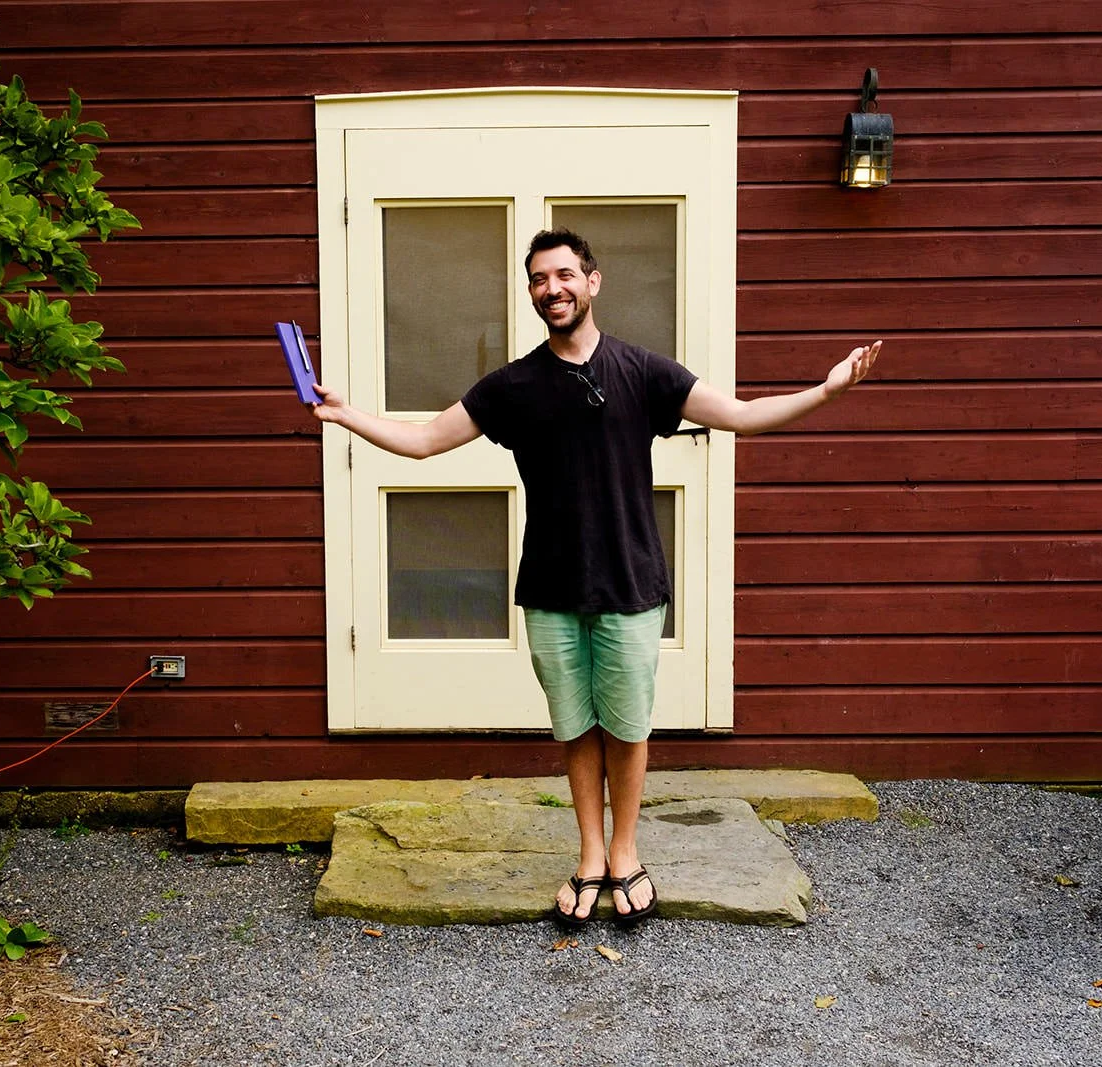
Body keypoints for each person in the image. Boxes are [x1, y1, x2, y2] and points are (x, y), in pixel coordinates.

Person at [310, 228, 880, 927]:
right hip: (550, 588)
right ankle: (588, 855)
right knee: (577, 728)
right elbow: (425, 440)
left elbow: (739, 416)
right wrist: (343, 415)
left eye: (563, 275)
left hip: (630, 583)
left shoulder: (643, 372)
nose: (552, 288)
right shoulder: (514, 386)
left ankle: (625, 853)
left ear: (593, 281)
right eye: (539, 280)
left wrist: (824, 390)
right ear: (532, 293)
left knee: (628, 726)